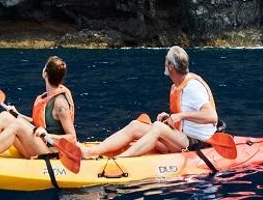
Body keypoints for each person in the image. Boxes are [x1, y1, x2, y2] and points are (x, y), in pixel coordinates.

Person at [82, 45, 217, 158]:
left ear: (171, 66)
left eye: (166, 61)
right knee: (136, 125)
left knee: (157, 127)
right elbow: (183, 116)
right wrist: (169, 117)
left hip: (196, 142)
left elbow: (211, 116)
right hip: (180, 137)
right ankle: (91, 152)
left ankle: (121, 160)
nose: (164, 64)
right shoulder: (177, 85)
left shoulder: (192, 87)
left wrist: (179, 116)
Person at [0, 55, 77, 157]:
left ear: (45, 74)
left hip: (50, 151)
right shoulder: (44, 97)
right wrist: (17, 114)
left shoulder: (60, 103)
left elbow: (72, 138)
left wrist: (48, 135)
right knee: (5, 116)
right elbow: (38, 124)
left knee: (18, 125)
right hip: (38, 143)